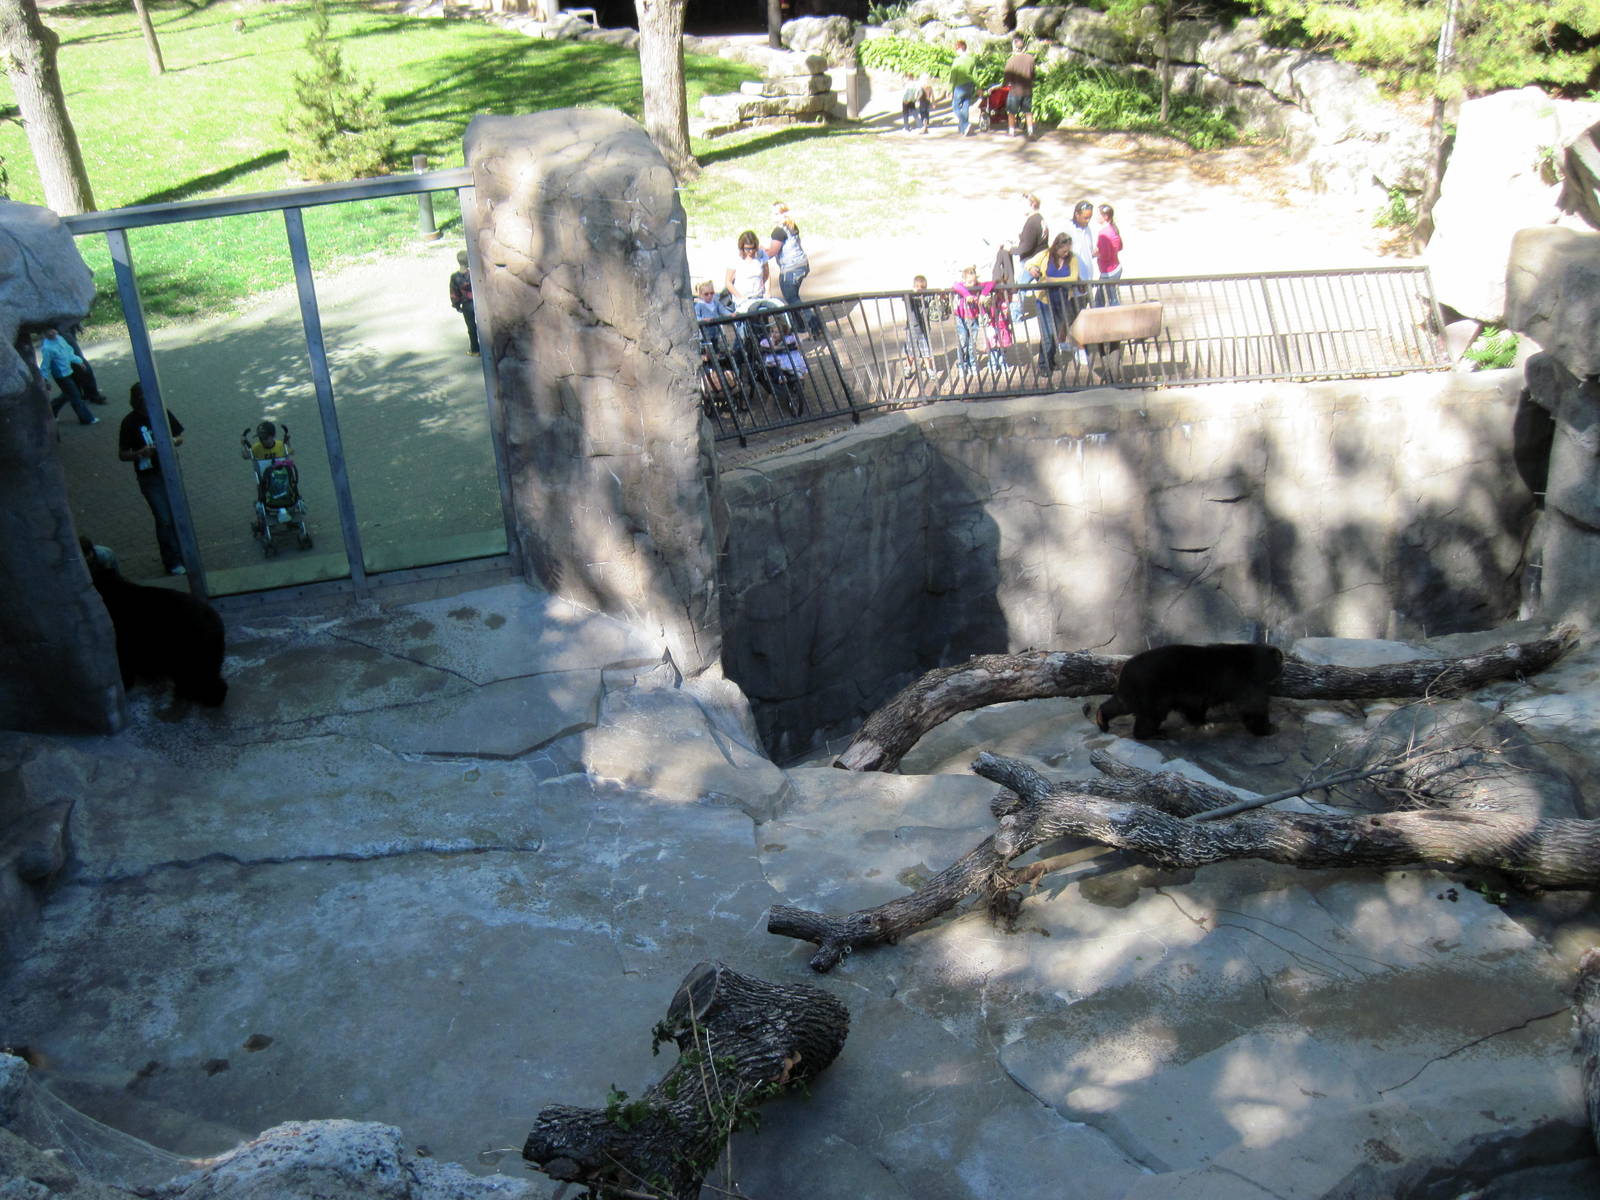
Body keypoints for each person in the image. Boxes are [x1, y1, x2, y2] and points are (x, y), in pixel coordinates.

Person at [118, 382, 187, 576]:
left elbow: (179, 437)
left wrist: (172, 441)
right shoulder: (129, 422)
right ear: (137, 401)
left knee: (177, 513)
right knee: (164, 518)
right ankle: (171, 560)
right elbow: (122, 454)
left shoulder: (162, 412)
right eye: (143, 400)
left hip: (170, 470)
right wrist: (139, 453)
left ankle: (184, 552)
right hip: (149, 476)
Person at [764, 203, 821, 336]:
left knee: (792, 299)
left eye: (776, 214)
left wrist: (759, 254)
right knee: (792, 298)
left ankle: (814, 324)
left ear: (783, 214)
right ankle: (799, 325)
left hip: (791, 269)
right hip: (801, 265)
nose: (773, 216)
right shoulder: (791, 226)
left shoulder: (778, 231)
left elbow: (772, 252)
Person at [1029, 233, 1080, 374]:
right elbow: (1029, 263)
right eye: (1064, 251)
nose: (1066, 253)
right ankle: (1043, 364)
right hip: (1044, 301)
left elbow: (1073, 278)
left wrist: (1051, 281)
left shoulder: (1072, 258)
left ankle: (1050, 360)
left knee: (1054, 334)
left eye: (1068, 250)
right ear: (1057, 247)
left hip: (1061, 301)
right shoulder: (1045, 255)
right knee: (1047, 334)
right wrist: (1032, 268)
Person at [38, 327, 98, 426]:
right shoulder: (47, 348)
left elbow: (69, 352)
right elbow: (45, 365)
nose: (52, 332)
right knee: (75, 396)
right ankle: (87, 419)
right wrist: (45, 379)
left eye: (52, 329)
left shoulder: (60, 338)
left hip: (69, 370)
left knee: (68, 394)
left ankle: (53, 409)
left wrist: (79, 361)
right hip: (61, 375)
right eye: (48, 331)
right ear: (44, 333)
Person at [1005, 193, 1050, 323]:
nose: (1020, 207)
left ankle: (1015, 317)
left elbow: (1026, 247)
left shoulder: (1032, 222)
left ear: (1032, 204)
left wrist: (1010, 249)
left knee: (1019, 288)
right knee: (1044, 287)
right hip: (1041, 258)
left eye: (1023, 205)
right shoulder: (1041, 219)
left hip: (1031, 261)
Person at [952, 265, 996, 376]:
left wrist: (983, 294)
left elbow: (991, 283)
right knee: (963, 342)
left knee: (972, 343)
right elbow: (955, 285)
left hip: (973, 318)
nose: (972, 285)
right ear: (964, 280)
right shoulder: (962, 286)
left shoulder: (977, 286)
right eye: (969, 282)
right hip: (961, 318)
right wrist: (966, 294)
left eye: (974, 281)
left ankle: (972, 364)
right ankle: (962, 365)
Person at [903, 274, 938, 380]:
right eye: (917, 287)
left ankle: (930, 371)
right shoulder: (910, 297)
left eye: (922, 288)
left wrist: (940, 293)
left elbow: (934, 295)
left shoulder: (926, 297)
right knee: (911, 353)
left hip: (924, 330)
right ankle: (908, 368)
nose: (919, 290)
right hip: (912, 330)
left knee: (926, 352)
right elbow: (904, 297)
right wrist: (912, 292)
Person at [1003, 35, 1036, 140]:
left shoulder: (1011, 61)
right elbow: (1033, 75)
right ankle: (1030, 132)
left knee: (1011, 112)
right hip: (1027, 90)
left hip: (1015, 91)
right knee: (1028, 112)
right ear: (1024, 47)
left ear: (1014, 47)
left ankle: (1011, 132)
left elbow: (1007, 78)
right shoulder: (1031, 59)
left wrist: (1004, 85)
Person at [725, 230, 768, 309]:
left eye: (753, 248)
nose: (751, 251)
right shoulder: (735, 257)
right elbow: (728, 282)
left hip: (758, 296)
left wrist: (767, 290)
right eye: (747, 249)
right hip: (743, 299)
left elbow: (766, 274)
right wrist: (740, 297)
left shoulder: (761, 254)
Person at [448, 250, 478, 355]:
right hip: (478, 302)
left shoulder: (455, 277)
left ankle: (475, 350)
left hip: (466, 305)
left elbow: (454, 293)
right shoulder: (474, 274)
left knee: (471, 327)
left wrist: (456, 305)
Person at [1095, 203, 1123, 306]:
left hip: (1108, 272)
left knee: (1100, 300)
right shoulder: (1113, 229)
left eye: (1099, 214)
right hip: (1115, 268)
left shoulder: (1104, 233)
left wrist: (1096, 254)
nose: (1096, 217)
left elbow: (1105, 256)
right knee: (1112, 297)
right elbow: (1120, 246)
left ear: (1105, 217)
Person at [949, 40, 977, 137]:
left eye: (956, 49)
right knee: (965, 106)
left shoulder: (957, 61)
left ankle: (965, 124)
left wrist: (950, 90)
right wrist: (978, 87)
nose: (956, 51)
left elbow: (953, 76)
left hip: (959, 86)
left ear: (960, 48)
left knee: (955, 107)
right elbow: (975, 75)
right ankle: (963, 129)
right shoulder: (972, 60)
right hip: (970, 86)